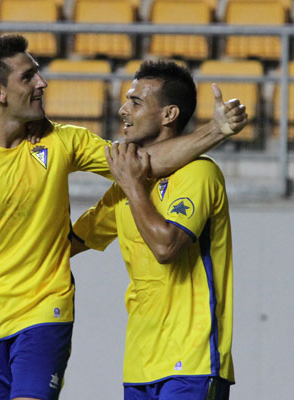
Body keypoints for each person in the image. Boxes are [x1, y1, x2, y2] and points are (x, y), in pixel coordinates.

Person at [0, 34, 246, 400]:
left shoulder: (68, 143)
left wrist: (215, 131)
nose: (42, 82)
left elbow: (145, 179)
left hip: (51, 313)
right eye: (28, 76)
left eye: (38, 72)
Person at [71, 60, 234, 399]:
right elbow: (70, 242)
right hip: (140, 362)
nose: (123, 109)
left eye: (136, 102)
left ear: (168, 115)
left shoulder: (198, 174)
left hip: (192, 361)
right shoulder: (128, 184)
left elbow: (166, 248)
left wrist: (132, 187)